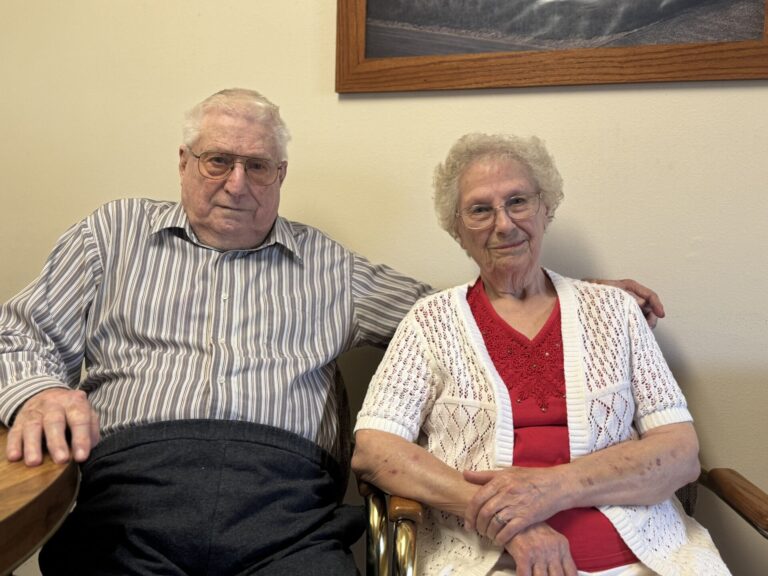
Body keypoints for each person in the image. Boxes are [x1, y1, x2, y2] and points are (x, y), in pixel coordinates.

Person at [0, 90, 662, 575]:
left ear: (281, 175)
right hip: (128, 503)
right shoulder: (112, 235)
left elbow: (456, 317)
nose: (237, 183)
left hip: (283, 517)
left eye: (258, 166)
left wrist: (573, 302)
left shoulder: (330, 267)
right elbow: (18, 329)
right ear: (183, 163)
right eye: (217, 161)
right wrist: (35, 393)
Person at [352, 133, 729, 576]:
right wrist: (507, 520)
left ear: (546, 208)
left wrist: (552, 488)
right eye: (480, 210)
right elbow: (375, 450)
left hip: (645, 558)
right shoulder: (430, 322)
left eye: (518, 202)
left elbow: (680, 453)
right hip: (490, 561)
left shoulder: (615, 311)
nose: (504, 224)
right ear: (457, 230)